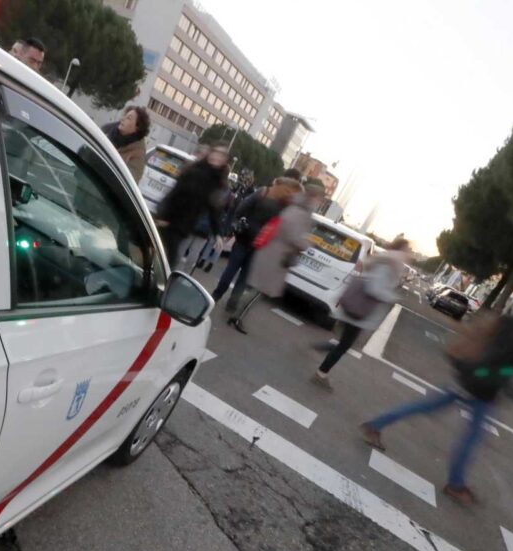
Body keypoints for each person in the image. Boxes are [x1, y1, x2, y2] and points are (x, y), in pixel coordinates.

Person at [359, 274, 513, 504]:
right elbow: (505, 356)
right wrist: (484, 379)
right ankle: (455, 484)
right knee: (470, 434)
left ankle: (377, 426)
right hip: (482, 382)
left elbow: (502, 348)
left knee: (431, 407)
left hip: (478, 377)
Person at [221, 179, 321, 333]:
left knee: (254, 286)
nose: (319, 202)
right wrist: (306, 244)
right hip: (276, 256)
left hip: (273, 252)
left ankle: (235, 310)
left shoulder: (294, 207)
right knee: (259, 290)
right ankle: (237, 316)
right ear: (312, 197)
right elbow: (292, 235)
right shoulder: (300, 212)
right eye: (319, 198)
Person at [312, 239, 414, 387]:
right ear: (400, 251)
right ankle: (321, 373)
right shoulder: (388, 265)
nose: (409, 253)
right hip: (360, 310)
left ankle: (323, 350)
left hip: (358, 307)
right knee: (346, 344)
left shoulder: (386, 260)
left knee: (346, 343)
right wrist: (392, 297)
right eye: (407, 249)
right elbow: (374, 288)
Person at [155, 145, 229, 267]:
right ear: (210, 154)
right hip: (170, 216)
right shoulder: (195, 170)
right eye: (216, 152)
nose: (217, 157)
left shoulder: (217, 182)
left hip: (185, 224)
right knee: (161, 254)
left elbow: (214, 209)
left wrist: (217, 234)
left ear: (224, 161)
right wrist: (163, 215)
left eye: (221, 155)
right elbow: (175, 193)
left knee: (168, 258)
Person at [101, 106, 150, 181]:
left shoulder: (138, 153)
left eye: (129, 118)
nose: (123, 119)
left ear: (137, 127)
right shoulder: (107, 133)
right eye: (125, 116)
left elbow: (129, 181)